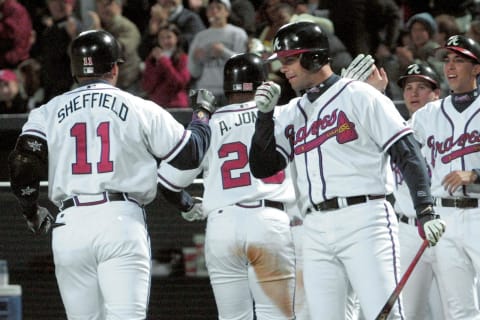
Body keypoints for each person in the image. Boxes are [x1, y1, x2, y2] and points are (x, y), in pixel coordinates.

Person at [7, 29, 213, 320]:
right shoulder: (140, 107)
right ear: (115, 67)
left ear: (74, 69)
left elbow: (23, 163)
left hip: (69, 225)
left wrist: (30, 211)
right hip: (121, 220)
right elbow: (190, 154)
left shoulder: (47, 111)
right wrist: (201, 116)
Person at [248, 21, 446, 319]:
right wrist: (264, 118)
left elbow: (407, 152)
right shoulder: (292, 111)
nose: (284, 68)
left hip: (365, 221)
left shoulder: (360, 95)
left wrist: (425, 209)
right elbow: (263, 167)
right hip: (314, 227)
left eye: (290, 59)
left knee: (386, 314)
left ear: (313, 57)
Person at [157, 52, 297, 319]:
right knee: (277, 314)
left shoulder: (210, 123)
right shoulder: (284, 115)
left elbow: (167, 183)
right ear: (263, 83)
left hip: (223, 223)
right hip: (270, 220)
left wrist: (187, 205)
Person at [411, 34, 480, 319]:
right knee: (459, 309)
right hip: (444, 218)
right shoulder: (427, 114)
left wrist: (475, 175)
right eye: (447, 60)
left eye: (459, 60)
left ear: (477, 68)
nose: (450, 66)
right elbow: (389, 142)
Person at [392, 63, 445, 319]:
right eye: (408, 87)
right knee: (408, 312)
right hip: (407, 229)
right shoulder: (394, 130)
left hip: (443, 224)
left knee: (450, 309)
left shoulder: (447, 129)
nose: (413, 93)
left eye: (422, 87)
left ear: (437, 93)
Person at [188, 0, 248, 106]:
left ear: (227, 12)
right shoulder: (200, 37)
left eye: (219, 8)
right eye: (211, 8)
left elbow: (243, 64)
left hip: (232, 91)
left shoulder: (238, 34)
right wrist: (197, 59)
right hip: (205, 91)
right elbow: (193, 71)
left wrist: (223, 52)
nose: (214, 11)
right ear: (206, 13)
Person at [90, 0, 142, 94]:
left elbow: (118, 51)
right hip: (103, 85)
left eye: (108, 4)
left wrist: (99, 34)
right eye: (100, 5)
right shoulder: (96, 27)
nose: (104, 8)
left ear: (119, 6)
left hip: (127, 85)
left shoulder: (127, 27)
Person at [39, 0, 82, 101]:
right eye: (54, 2)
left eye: (63, 2)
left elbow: (80, 57)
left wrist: (73, 36)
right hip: (50, 85)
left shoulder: (76, 25)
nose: (59, 6)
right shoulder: (49, 29)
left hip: (68, 86)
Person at [141, 23, 190, 108]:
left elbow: (179, 83)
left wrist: (164, 61)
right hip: (157, 105)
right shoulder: (152, 59)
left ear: (177, 38)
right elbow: (147, 85)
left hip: (176, 105)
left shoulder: (183, 58)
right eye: (162, 38)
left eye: (169, 37)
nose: (165, 41)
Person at [0, 0, 33, 69]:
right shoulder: (5, 9)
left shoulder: (13, 8)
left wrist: (11, 57)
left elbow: (17, 34)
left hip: (16, 62)